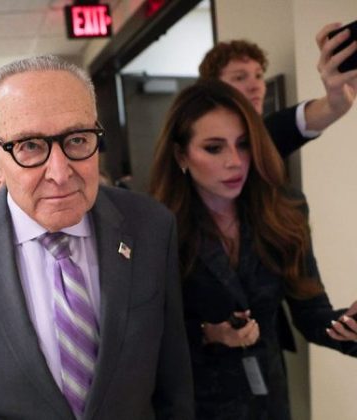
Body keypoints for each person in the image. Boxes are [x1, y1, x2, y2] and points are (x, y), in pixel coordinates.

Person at [0, 55, 194, 419]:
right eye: (30, 146)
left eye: (77, 139)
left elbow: (173, 384)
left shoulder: (150, 227)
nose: (59, 172)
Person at [149, 79, 357, 420]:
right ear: (181, 154)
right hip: (193, 403)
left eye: (244, 144)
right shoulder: (157, 226)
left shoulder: (284, 211)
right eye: (214, 148)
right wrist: (209, 333)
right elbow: (148, 335)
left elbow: (312, 315)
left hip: (267, 401)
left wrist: (349, 324)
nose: (235, 161)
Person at [198, 22, 357, 158]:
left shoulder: (265, 138)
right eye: (240, 77)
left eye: (258, 75)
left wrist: (337, 103)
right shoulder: (193, 141)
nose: (256, 86)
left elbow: (299, 120)